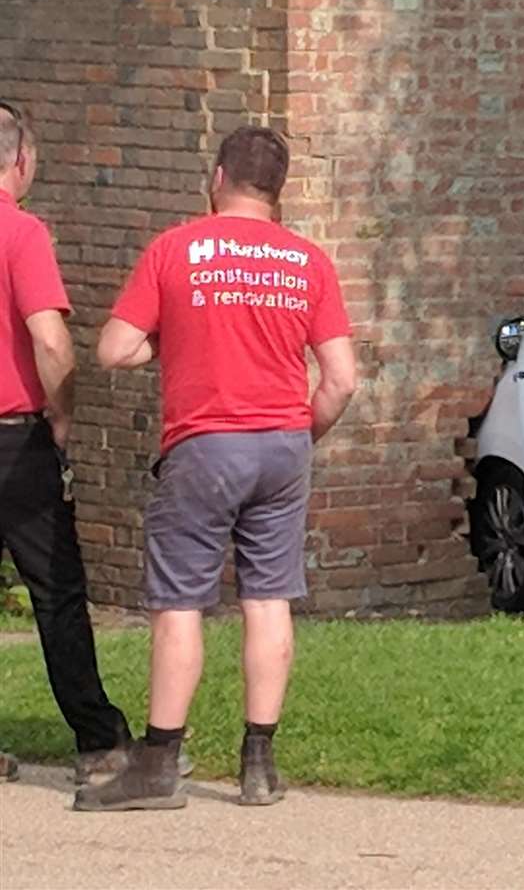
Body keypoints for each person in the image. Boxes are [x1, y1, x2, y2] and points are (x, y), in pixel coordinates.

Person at [75, 126, 356, 811]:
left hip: (204, 445)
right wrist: (302, 433)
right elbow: (341, 379)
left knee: (180, 604)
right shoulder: (308, 262)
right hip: (283, 444)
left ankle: (158, 765)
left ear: (218, 175)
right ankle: (258, 764)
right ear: (277, 190)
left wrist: (168, 343)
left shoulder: (178, 249)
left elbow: (113, 349)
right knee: (269, 598)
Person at [0, 99, 136, 785]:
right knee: (56, 592)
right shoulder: (20, 233)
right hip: (12, 441)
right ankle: (100, 742)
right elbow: (50, 340)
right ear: (21, 160)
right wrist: (62, 414)